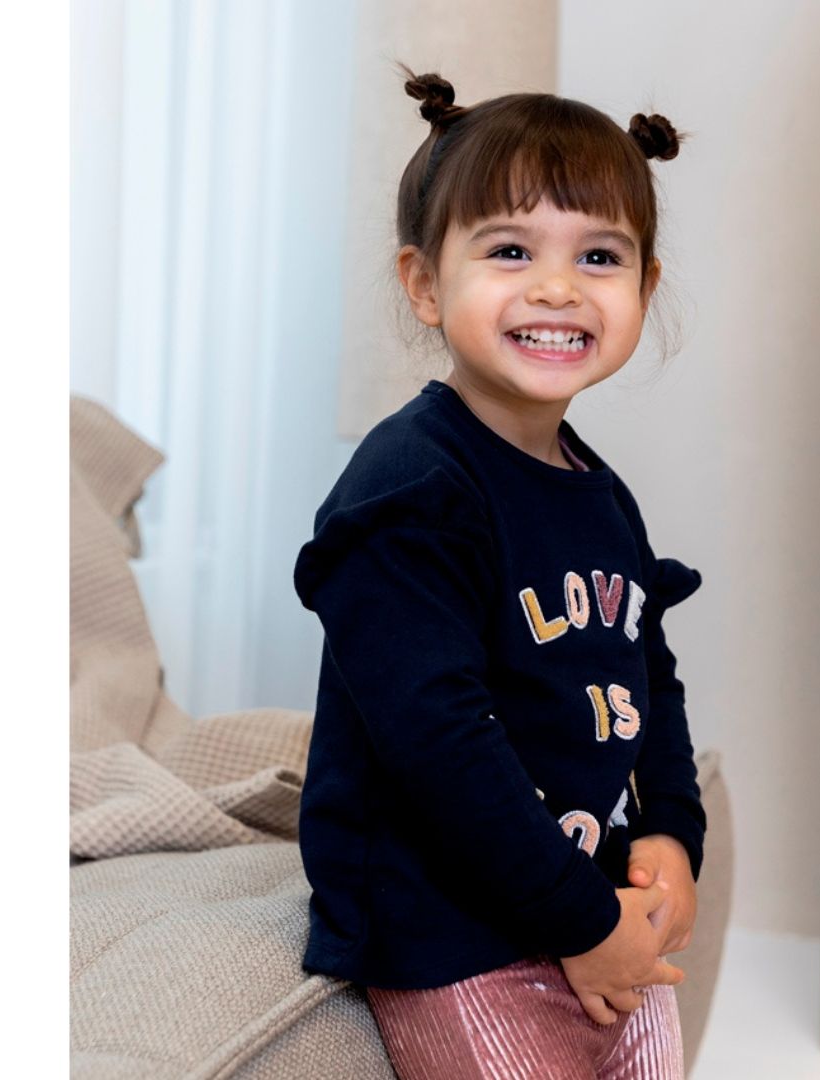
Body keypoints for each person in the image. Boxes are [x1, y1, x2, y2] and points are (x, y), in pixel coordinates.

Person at [292, 63, 707, 1080]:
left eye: (599, 256)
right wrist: (579, 920)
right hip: (450, 929)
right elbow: (435, 740)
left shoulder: (601, 494)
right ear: (426, 284)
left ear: (644, 289)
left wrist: (671, 830)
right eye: (511, 250)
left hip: (587, 889)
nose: (558, 288)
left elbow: (649, 677)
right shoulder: (408, 491)